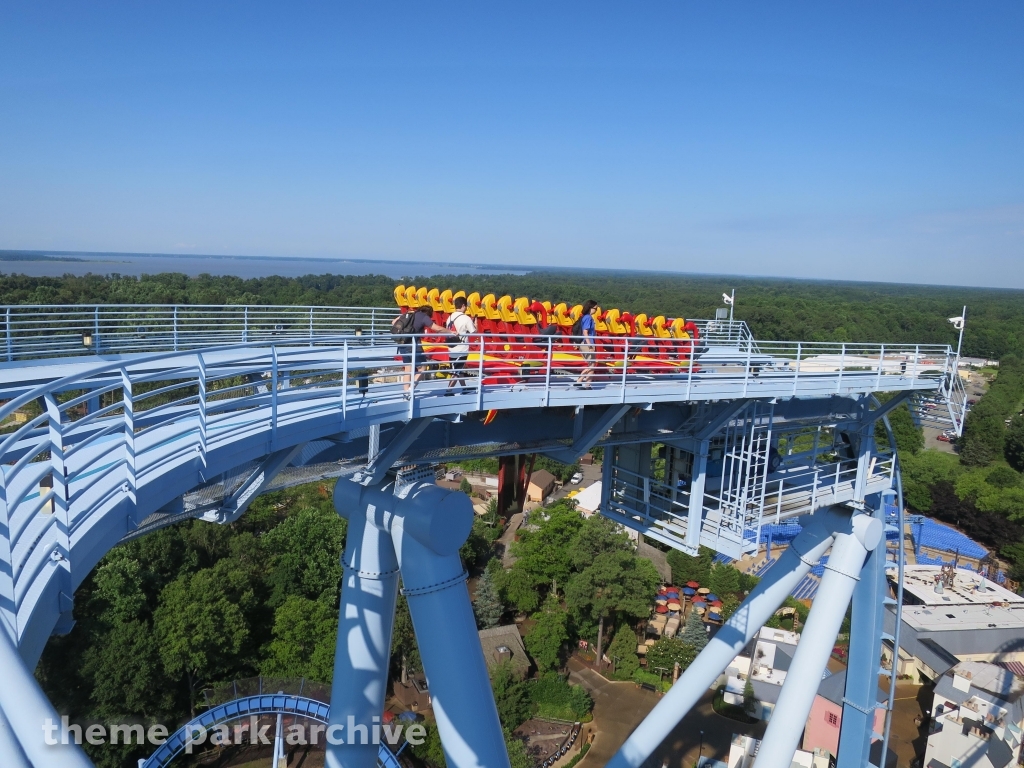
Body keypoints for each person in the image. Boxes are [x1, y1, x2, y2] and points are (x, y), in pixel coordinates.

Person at [401, 305, 455, 391]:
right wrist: (451, 332)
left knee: (408, 368)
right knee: (422, 368)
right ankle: (411, 390)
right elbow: (437, 328)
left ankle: (406, 392)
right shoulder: (424, 317)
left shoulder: (410, 314)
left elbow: (393, 322)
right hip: (413, 344)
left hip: (402, 343)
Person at [445, 296, 477, 392]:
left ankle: (464, 388)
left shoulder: (449, 317)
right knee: (456, 371)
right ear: (463, 305)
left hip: (451, 347)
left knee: (459, 369)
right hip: (461, 349)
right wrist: (475, 324)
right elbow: (474, 333)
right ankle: (449, 391)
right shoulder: (466, 318)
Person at [575, 299, 599, 388]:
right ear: (590, 308)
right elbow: (585, 332)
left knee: (591, 364)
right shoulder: (588, 318)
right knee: (592, 365)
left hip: (584, 343)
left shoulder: (585, 317)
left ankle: (581, 381)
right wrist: (590, 345)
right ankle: (586, 384)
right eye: (595, 308)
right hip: (588, 343)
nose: (596, 310)